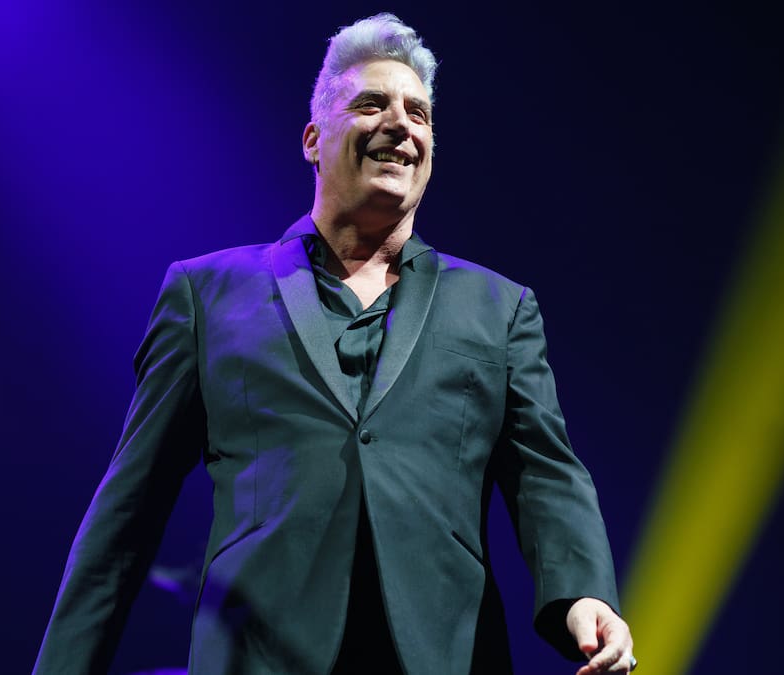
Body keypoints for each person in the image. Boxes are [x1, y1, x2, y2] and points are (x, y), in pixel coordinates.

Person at [34, 13, 635, 675]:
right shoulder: (205, 294)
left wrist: (586, 594)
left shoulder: (499, 308)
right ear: (313, 139)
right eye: (372, 104)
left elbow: (547, 475)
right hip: (259, 658)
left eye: (419, 113)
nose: (400, 124)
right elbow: (129, 510)